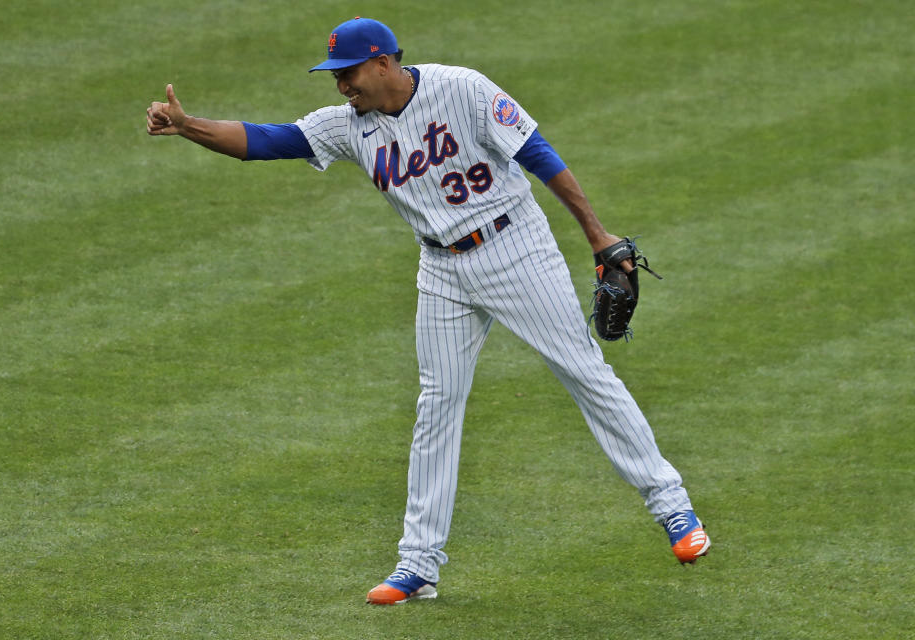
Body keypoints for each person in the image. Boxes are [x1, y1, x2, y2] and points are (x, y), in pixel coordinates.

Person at [146, 17, 711, 605]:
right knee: (436, 404)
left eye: (350, 73)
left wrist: (596, 234)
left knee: (584, 371)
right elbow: (267, 141)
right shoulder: (349, 127)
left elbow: (537, 153)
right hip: (441, 268)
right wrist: (187, 126)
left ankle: (675, 510)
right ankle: (418, 567)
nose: (341, 86)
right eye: (335, 75)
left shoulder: (461, 89)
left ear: (385, 62)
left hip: (515, 247)